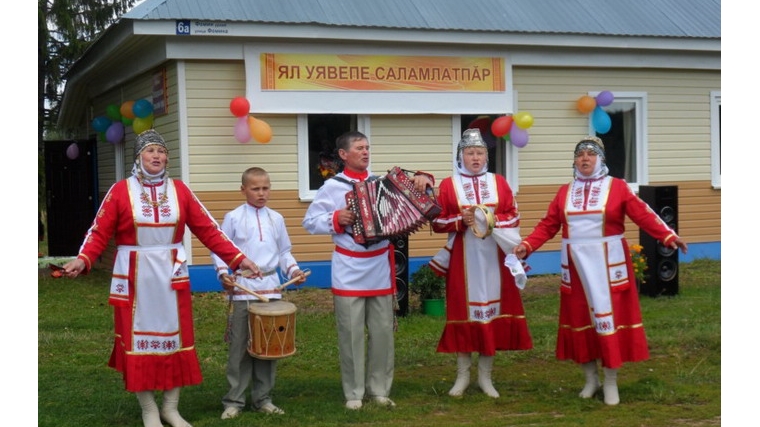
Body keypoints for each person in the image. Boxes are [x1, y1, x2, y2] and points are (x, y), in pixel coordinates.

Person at [61, 129, 262, 427]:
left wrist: (238, 258)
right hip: (134, 275)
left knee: (174, 339)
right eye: (150, 151)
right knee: (137, 340)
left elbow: (208, 229)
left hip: (170, 274)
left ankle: (170, 407)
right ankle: (149, 410)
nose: (157, 156)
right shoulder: (120, 191)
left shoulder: (180, 191)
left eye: (161, 151)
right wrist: (83, 258)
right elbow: (99, 230)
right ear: (138, 157)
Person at [513, 135, 688, 405]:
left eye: (590, 154)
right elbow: (548, 224)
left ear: (601, 159)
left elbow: (643, 213)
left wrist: (668, 236)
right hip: (576, 266)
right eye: (580, 154)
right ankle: (590, 379)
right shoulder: (564, 192)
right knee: (581, 319)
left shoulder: (616, 187)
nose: (585, 158)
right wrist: (527, 245)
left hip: (608, 265)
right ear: (574, 160)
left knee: (608, 320)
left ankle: (610, 382)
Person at [302, 130, 434, 410]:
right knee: (350, 334)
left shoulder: (382, 183)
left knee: (383, 331)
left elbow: (421, 192)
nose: (365, 152)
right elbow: (310, 221)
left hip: (379, 267)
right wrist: (336, 218)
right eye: (359, 148)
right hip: (348, 267)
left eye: (367, 147)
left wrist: (425, 178)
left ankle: (380, 390)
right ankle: (353, 393)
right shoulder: (333, 187)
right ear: (343, 154)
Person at [429, 128, 533, 398]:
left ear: (487, 156)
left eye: (479, 153)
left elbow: (514, 215)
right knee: (464, 312)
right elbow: (437, 223)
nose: (475, 158)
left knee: (493, 311)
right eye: (469, 153)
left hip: (495, 258)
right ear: (460, 156)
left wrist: (491, 220)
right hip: (463, 258)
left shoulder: (499, 182)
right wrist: (458, 221)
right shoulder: (448, 185)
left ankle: (486, 377)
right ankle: (462, 375)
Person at [210, 167, 306, 419]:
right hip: (244, 290)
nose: (262, 193)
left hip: (272, 290)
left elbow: (284, 252)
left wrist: (293, 270)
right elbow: (220, 249)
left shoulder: (276, 218)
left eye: (265, 188)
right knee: (240, 347)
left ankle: (263, 398)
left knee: (268, 347)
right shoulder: (233, 217)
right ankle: (234, 400)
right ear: (243, 190)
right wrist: (224, 274)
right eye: (255, 188)